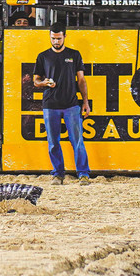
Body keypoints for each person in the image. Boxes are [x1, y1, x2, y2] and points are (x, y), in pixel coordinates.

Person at [32, 24, 91, 185]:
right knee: (53, 142)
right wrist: (44, 82)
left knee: (77, 141)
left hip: (71, 104)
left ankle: (83, 174)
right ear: (50, 37)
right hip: (50, 104)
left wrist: (85, 102)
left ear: (65, 36)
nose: (56, 41)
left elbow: (81, 80)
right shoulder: (43, 56)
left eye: (58, 38)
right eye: (53, 38)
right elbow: (36, 80)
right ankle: (58, 174)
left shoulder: (74, 54)